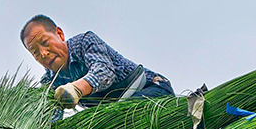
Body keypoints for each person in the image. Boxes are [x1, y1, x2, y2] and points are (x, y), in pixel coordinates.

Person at [20, 14, 174, 108]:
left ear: (59, 34)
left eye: (45, 42)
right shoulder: (50, 82)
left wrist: (75, 89)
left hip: (149, 89)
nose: (44, 53)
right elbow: (51, 115)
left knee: (120, 121)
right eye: (35, 52)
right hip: (112, 112)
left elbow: (103, 72)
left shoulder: (84, 42)